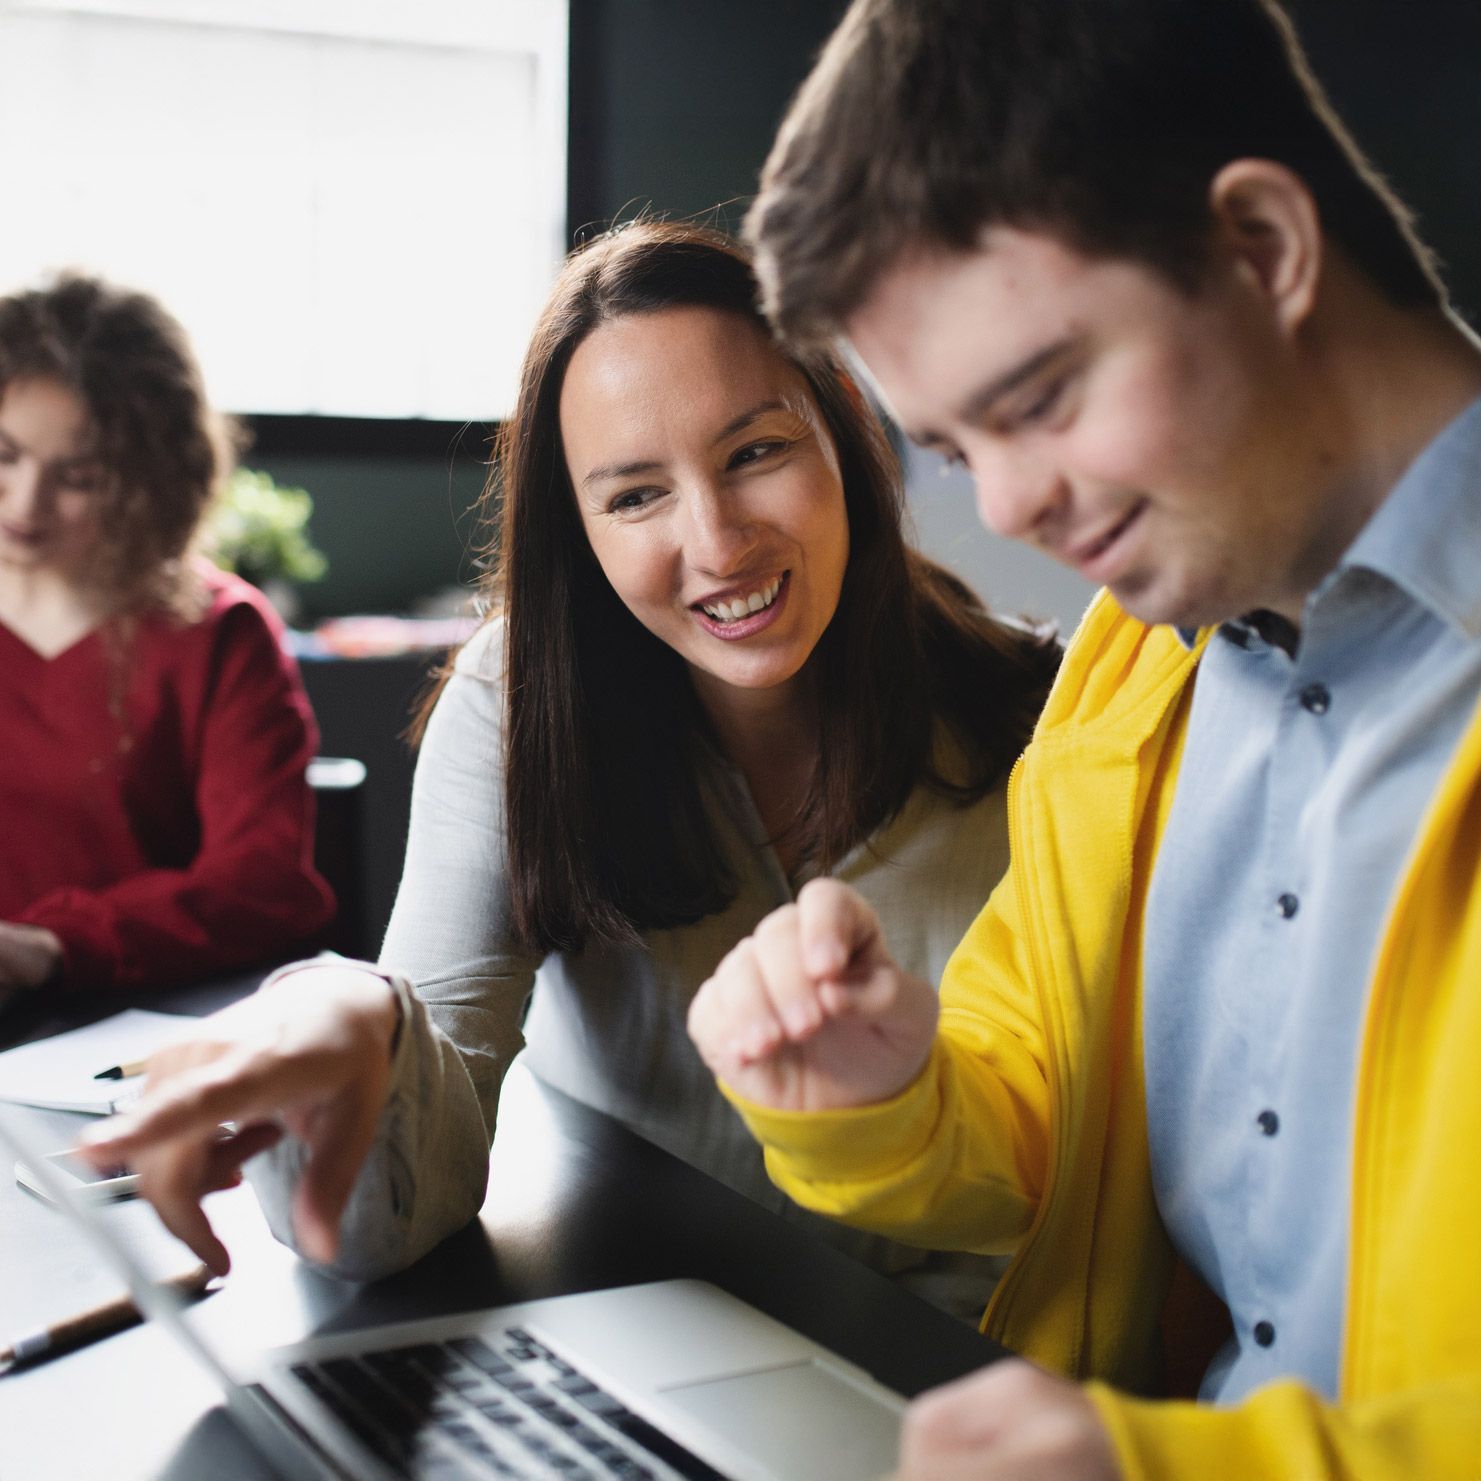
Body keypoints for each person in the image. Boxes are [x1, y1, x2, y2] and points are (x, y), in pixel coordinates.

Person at [684, 0, 1481, 1476]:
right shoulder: (1135, 655)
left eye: (1038, 399)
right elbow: (1054, 1112)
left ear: (1260, 248)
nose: (1003, 511)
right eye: (949, 448)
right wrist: (884, 1085)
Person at [78, 224, 1059, 1309]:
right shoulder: (516, 703)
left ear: (842, 431)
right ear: (578, 529)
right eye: (635, 495)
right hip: (652, 1340)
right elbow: (395, 1202)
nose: (718, 541)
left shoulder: (1046, 715)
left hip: (976, 1385)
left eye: (754, 452)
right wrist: (349, 1015)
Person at [0, 274, 332, 1002]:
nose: (27, 504)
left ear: (143, 478)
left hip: (142, 1022)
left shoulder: (217, 632)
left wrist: (51, 946)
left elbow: (262, 883)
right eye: (5, 456)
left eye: (78, 476)